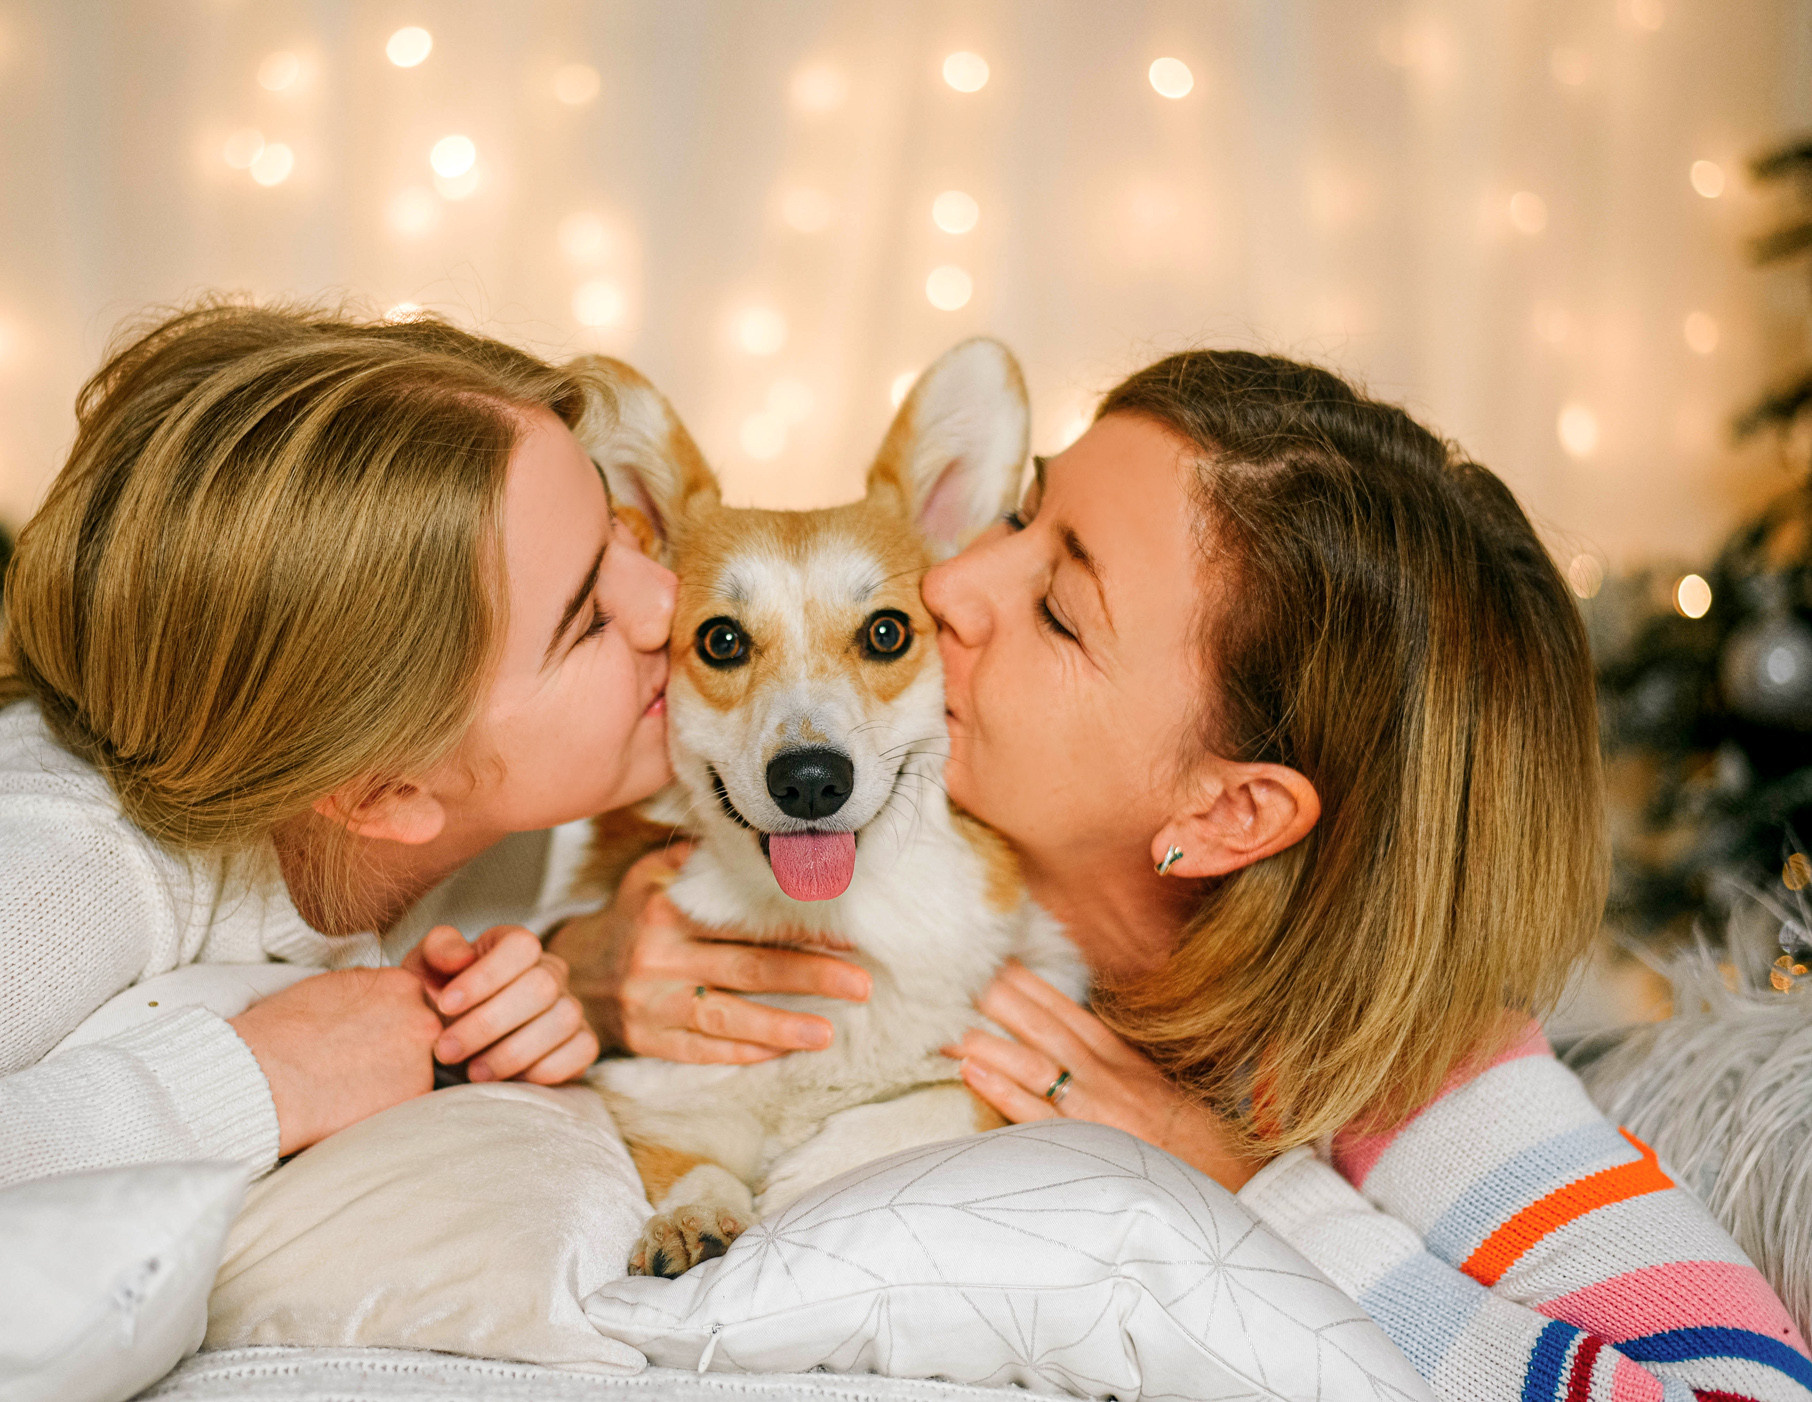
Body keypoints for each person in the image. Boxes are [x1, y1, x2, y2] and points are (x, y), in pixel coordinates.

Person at [566, 351, 1812, 1401]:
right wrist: (582, 972)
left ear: (1225, 809)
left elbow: (1741, 1389)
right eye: (1020, 518)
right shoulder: (793, 861)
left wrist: (1244, 1193)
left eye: (1058, 604)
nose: (950, 584)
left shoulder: (1409, 1073)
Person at [0, 302, 677, 1305]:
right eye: (590, 619)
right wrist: (260, 1081)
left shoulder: (481, 799)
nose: (668, 597)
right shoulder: (62, 876)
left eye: (624, 529)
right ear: (382, 794)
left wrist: (535, 989)